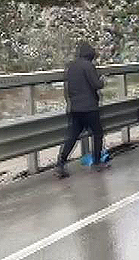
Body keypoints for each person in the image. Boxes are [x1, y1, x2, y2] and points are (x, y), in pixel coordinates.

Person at [55, 41, 109, 178]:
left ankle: (61, 162)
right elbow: (96, 85)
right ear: (90, 55)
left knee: (72, 136)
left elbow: (67, 88)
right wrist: (102, 81)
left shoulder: (70, 67)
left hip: (75, 108)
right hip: (89, 107)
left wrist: (70, 103)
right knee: (97, 133)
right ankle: (97, 163)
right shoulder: (88, 66)